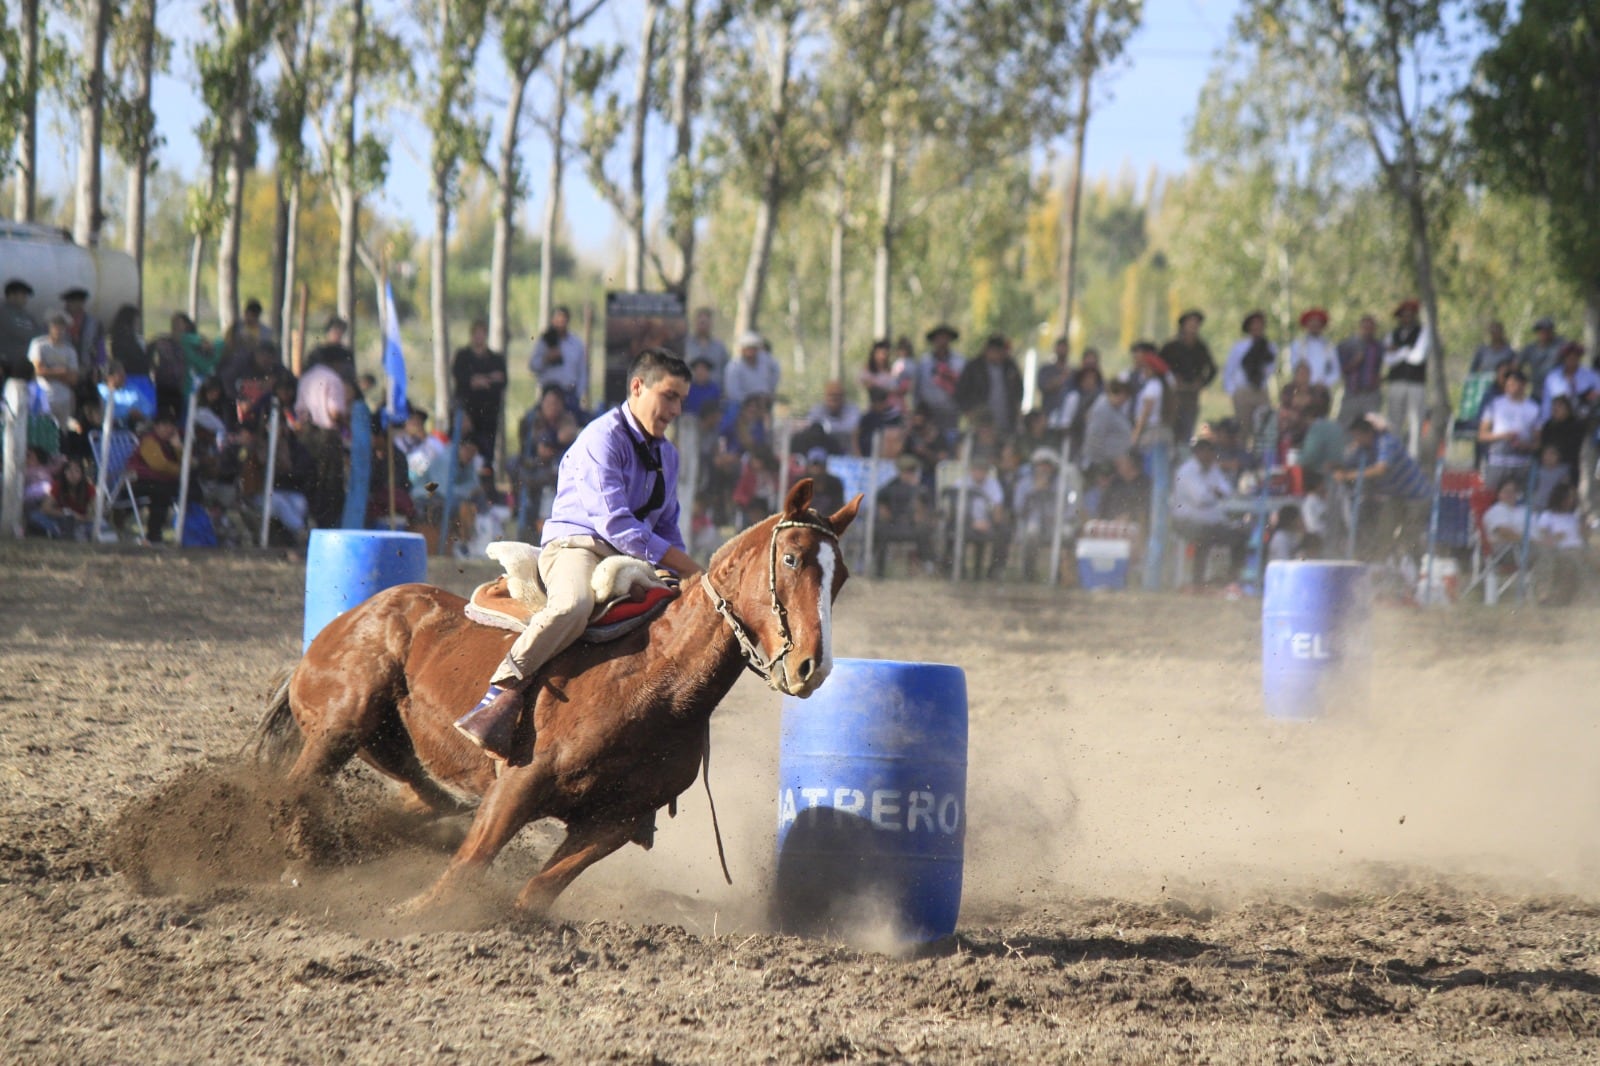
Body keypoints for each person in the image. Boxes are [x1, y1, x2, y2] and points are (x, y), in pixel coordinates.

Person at [460, 348, 702, 759]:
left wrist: (687, 580)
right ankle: (500, 691)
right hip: (577, 547)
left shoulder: (669, 455)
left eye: (681, 399)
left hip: (633, 558)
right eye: (669, 396)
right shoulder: (600, 438)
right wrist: (691, 567)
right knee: (574, 604)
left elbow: (667, 526)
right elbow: (615, 525)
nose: (676, 409)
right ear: (637, 387)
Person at [1335, 415, 1431, 559]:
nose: (1356, 440)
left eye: (1357, 436)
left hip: (1417, 497)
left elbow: (1381, 469)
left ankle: (1414, 569)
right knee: (1383, 534)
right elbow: (1347, 463)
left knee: (1409, 538)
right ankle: (1379, 567)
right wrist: (1340, 467)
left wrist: (1349, 475)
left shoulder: (1387, 442)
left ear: (1367, 433)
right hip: (1395, 497)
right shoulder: (1363, 449)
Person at [1170, 436, 1247, 586]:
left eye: (1212, 452)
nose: (1211, 456)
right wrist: (1215, 492)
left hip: (1211, 521)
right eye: (1208, 452)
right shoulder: (1187, 472)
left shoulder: (1213, 469)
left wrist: (1214, 491)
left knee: (1240, 537)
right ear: (1198, 453)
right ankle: (1197, 582)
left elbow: (1227, 490)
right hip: (1186, 522)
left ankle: (1231, 580)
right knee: (1203, 536)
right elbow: (1201, 498)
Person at [294, 358, 351, 529]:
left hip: (306, 435)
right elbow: (335, 412)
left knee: (310, 482)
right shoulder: (333, 379)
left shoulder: (306, 378)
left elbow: (300, 409)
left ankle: (310, 525)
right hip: (327, 437)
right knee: (329, 486)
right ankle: (326, 527)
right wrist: (346, 424)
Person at [452, 318, 508, 461]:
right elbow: (459, 376)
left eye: (481, 333)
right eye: (476, 333)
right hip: (467, 411)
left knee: (486, 450)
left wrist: (481, 380)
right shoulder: (463, 356)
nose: (479, 336)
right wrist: (479, 380)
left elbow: (502, 380)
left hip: (488, 414)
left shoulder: (495, 358)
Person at [873, 454, 938, 577]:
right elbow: (882, 504)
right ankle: (879, 572)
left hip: (915, 527)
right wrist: (885, 514)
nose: (908, 474)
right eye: (905, 471)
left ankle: (928, 566)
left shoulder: (922, 488)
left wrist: (922, 512)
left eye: (911, 471)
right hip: (894, 525)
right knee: (880, 530)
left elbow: (929, 508)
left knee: (923, 530)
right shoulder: (890, 487)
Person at [128, 410, 186, 543]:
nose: (168, 429)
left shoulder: (171, 442)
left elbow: (186, 462)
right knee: (162, 492)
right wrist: (182, 471)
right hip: (139, 482)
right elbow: (160, 465)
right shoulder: (150, 441)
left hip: (161, 481)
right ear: (156, 426)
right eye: (164, 425)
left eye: (171, 425)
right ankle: (154, 534)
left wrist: (177, 448)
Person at [1159, 310, 1216, 445]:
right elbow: (1159, 367)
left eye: (1196, 324)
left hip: (1191, 394)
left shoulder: (1201, 347)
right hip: (1173, 394)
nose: (1193, 327)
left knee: (1187, 428)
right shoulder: (1171, 346)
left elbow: (1212, 369)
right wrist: (1171, 381)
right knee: (1171, 427)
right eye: (1190, 324)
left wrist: (1202, 383)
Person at [1383, 299, 1429, 456]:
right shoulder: (1392, 334)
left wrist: (1399, 351)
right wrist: (1406, 351)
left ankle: (1413, 456)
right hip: (1396, 382)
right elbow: (1388, 359)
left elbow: (1418, 357)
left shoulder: (1423, 332)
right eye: (1404, 315)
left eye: (1410, 315)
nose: (1407, 318)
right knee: (1394, 420)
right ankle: (1393, 455)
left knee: (1416, 422)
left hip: (1416, 383)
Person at [1478, 368, 1540, 484]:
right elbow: (1482, 435)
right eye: (1508, 383)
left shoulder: (1533, 408)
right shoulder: (1495, 404)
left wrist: (1525, 445)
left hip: (1521, 463)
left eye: (1514, 383)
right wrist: (1503, 436)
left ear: (1523, 385)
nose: (1509, 386)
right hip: (1497, 462)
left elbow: (1538, 442)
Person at [1223, 311, 1275, 441]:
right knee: (1243, 428)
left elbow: (1271, 368)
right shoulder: (1240, 347)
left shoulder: (1269, 346)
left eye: (1260, 324)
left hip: (1261, 390)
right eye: (1254, 324)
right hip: (1243, 391)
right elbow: (1229, 369)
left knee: (1264, 426)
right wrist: (1232, 391)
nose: (1257, 327)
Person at [1532, 482, 1584, 605]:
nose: (1571, 500)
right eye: (1568, 497)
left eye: (1572, 497)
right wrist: (1555, 537)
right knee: (1559, 561)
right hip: (1560, 551)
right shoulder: (1548, 516)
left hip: (1580, 550)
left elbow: (1584, 537)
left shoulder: (1574, 516)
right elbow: (1543, 536)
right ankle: (1546, 597)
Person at [530, 305, 588, 412]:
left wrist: (578, 394)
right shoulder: (544, 341)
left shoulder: (576, 344)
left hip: (569, 394)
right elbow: (533, 366)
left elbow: (582, 371)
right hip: (548, 393)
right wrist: (546, 359)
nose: (561, 323)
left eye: (563, 320)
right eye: (558, 320)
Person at [28, 312, 79, 426]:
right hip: (42, 396)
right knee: (41, 430)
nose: (58, 330)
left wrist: (49, 371)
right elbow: (38, 370)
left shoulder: (70, 350)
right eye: (55, 326)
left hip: (63, 399)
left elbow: (74, 378)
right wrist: (63, 371)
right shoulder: (39, 344)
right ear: (50, 327)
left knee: (62, 434)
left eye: (62, 327)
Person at [913, 324, 965, 434]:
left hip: (951, 412)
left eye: (945, 338)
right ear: (933, 341)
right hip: (928, 414)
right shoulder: (924, 363)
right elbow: (917, 389)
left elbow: (964, 387)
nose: (942, 341)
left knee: (950, 442)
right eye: (939, 338)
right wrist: (917, 411)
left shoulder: (959, 362)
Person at [1337, 313, 1385, 427]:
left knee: (1371, 427)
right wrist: (1354, 362)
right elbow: (1340, 369)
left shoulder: (1378, 346)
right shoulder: (1347, 345)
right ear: (1360, 328)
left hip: (1371, 395)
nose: (1368, 331)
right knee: (1345, 426)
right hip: (1352, 393)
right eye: (1365, 327)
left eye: (1371, 328)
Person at [60, 287, 107, 395]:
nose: (75, 305)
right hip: (64, 373)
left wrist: (99, 369)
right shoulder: (57, 322)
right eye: (72, 301)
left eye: (78, 301)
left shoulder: (94, 324)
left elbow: (100, 349)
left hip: (87, 371)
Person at [1129, 343, 1174, 454]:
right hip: (1161, 430)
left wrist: (1135, 434)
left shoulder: (1152, 387)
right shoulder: (1161, 386)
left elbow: (1145, 413)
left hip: (1151, 432)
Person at [1081, 377, 1134, 469]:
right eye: (1125, 397)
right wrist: (1099, 463)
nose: (1125, 401)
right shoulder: (1102, 409)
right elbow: (1094, 436)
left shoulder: (1116, 409)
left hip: (1118, 459)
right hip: (1105, 462)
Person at [1540, 342, 1599, 423]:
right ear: (1563, 358)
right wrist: (1543, 423)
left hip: (1586, 420)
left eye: (1575, 355)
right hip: (1560, 422)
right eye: (1568, 356)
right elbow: (1546, 404)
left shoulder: (1591, 376)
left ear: (1579, 357)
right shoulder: (1552, 378)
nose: (1572, 358)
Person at [723, 330, 781, 412]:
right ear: (742, 349)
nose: (751, 352)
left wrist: (770, 389)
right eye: (748, 348)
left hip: (763, 403)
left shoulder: (766, 360)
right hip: (741, 406)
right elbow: (733, 393)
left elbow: (776, 370)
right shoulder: (733, 366)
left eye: (754, 348)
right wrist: (750, 403)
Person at [0, 279, 42, 386]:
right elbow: (19, 332)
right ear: (12, 295)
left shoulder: (28, 316)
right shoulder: (3, 312)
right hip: (6, 366)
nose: (25, 299)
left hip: (24, 368)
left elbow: (39, 336)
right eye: (23, 295)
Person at [802, 380, 862, 455]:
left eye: (838, 395)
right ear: (825, 396)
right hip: (822, 454)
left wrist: (827, 428)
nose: (834, 398)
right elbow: (814, 428)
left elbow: (850, 428)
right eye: (831, 395)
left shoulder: (853, 409)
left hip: (846, 454)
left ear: (844, 396)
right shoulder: (817, 409)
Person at [1539, 395, 1584, 490]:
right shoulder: (1548, 425)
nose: (1556, 409)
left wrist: (1558, 457)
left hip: (1568, 467)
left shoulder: (1576, 426)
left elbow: (1576, 448)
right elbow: (1542, 445)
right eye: (1554, 406)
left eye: (1559, 406)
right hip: (1547, 466)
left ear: (1568, 409)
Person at [1290, 309, 1340, 389]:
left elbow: (1335, 370)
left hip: (1322, 389)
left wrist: (1325, 384)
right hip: (1302, 389)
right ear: (1306, 325)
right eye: (1312, 322)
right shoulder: (1297, 344)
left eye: (1318, 322)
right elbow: (1294, 367)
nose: (1315, 325)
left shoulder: (1329, 346)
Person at [858, 339, 910, 414]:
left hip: (894, 408)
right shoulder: (868, 371)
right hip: (877, 408)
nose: (882, 357)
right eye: (880, 353)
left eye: (885, 353)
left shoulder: (892, 371)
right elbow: (867, 385)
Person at [304, 316, 357, 386]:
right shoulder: (318, 352)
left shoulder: (346, 353)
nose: (338, 335)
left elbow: (351, 375)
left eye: (340, 332)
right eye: (335, 331)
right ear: (328, 332)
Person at [1520, 316, 1565, 393]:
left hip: (1556, 390)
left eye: (1547, 330)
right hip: (1537, 390)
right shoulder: (1530, 349)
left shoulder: (1561, 346)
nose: (1544, 333)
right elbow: (1516, 366)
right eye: (1541, 330)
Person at [855, 386, 904, 457]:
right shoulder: (868, 416)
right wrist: (858, 452)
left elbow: (899, 434)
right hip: (867, 453)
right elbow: (856, 434)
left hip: (887, 454)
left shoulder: (893, 415)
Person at [683, 306, 730, 378]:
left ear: (711, 324)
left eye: (705, 322)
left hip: (715, 388)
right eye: (701, 322)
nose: (703, 326)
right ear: (695, 323)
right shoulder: (685, 344)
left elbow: (726, 371)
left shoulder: (720, 347)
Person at [802, 447, 845, 517]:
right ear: (808, 466)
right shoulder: (801, 484)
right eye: (814, 464)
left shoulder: (835, 484)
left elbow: (839, 509)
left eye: (820, 464)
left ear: (825, 466)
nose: (816, 469)